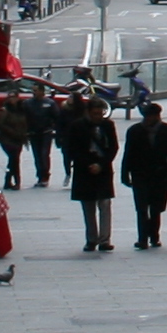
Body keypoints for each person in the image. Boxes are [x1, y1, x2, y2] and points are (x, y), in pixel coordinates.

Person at [119, 99, 167, 250]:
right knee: (141, 208)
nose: (149, 119)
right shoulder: (135, 131)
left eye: (152, 116)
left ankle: (154, 236)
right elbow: (128, 153)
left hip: (160, 174)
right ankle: (142, 238)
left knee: (156, 208)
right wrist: (125, 174)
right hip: (140, 174)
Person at [66, 95, 117, 251]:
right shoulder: (77, 126)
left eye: (100, 114)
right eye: (95, 114)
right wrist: (88, 164)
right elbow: (72, 149)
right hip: (84, 170)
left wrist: (102, 164)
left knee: (105, 204)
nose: (98, 117)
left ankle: (104, 239)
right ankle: (91, 238)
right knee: (88, 206)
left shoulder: (108, 126)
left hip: (103, 169)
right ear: (88, 112)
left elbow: (113, 147)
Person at [25, 84, 61, 194]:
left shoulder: (49, 103)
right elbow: (24, 117)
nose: (34, 93)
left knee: (44, 154)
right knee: (37, 155)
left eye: (36, 90)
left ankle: (45, 176)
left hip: (46, 133)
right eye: (33, 90)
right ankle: (40, 176)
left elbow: (57, 117)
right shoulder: (28, 103)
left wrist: (56, 130)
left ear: (42, 92)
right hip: (34, 133)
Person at [0, 89, 29, 191]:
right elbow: (1, 124)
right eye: (10, 97)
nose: (12, 99)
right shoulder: (5, 110)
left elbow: (25, 122)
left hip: (19, 138)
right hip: (7, 138)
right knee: (14, 158)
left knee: (14, 159)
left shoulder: (22, 109)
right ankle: (17, 181)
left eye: (14, 97)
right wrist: (13, 132)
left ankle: (8, 181)